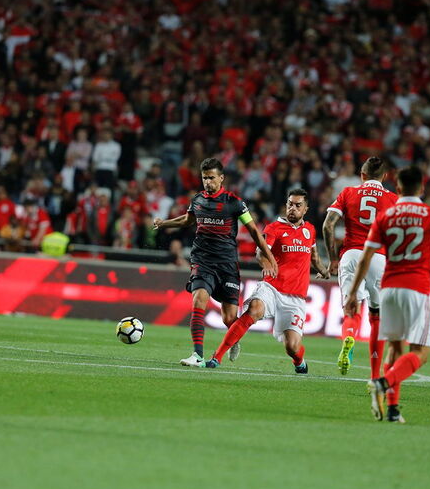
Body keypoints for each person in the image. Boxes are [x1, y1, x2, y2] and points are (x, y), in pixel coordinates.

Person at [344, 165, 430, 422]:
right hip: (416, 288)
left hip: (389, 289)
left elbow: (365, 258)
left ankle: (393, 410)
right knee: (420, 352)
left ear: (398, 188)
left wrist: (352, 293)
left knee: (394, 349)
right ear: (423, 188)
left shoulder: (386, 216)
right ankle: (383, 383)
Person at [154, 157, 278, 366]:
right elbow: (187, 220)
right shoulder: (198, 200)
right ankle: (197, 355)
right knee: (198, 300)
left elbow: (254, 231)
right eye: (204, 178)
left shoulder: (234, 203)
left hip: (228, 264)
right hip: (202, 260)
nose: (208, 182)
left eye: (211, 178)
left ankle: (233, 339)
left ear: (221, 178)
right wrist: (164, 223)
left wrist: (270, 257)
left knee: (229, 319)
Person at [203, 189, 329, 372]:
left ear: (306, 209)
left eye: (297, 205)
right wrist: (266, 264)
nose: (292, 208)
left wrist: (324, 272)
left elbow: (315, 258)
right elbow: (260, 252)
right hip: (272, 286)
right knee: (254, 309)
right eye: (290, 204)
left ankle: (299, 361)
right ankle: (217, 356)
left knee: (292, 347)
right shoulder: (274, 228)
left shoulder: (309, 230)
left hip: (295, 297)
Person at [323, 156, 398, 377]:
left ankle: (349, 336)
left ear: (362, 175)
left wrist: (333, 259)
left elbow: (328, 226)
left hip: (351, 254)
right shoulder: (393, 198)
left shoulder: (348, 192)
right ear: (384, 177)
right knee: (376, 316)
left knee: (351, 308)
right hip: (378, 257)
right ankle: (375, 374)